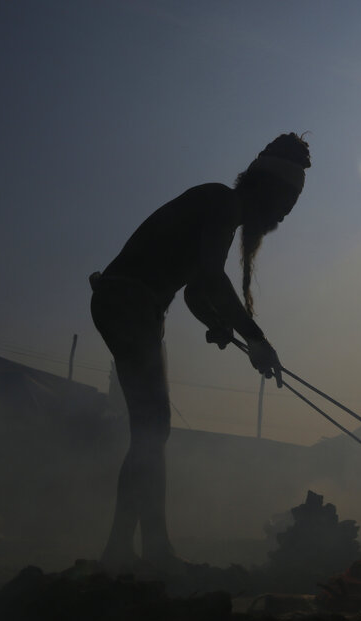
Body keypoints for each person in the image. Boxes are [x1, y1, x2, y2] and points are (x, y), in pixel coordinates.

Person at [90, 132, 310, 571]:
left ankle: (135, 548)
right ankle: (144, 550)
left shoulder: (220, 212)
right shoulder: (222, 203)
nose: (281, 220)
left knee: (152, 432)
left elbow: (194, 291)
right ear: (267, 190)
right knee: (153, 430)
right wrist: (256, 337)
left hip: (135, 306)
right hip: (129, 301)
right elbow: (210, 277)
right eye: (284, 208)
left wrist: (220, 325)